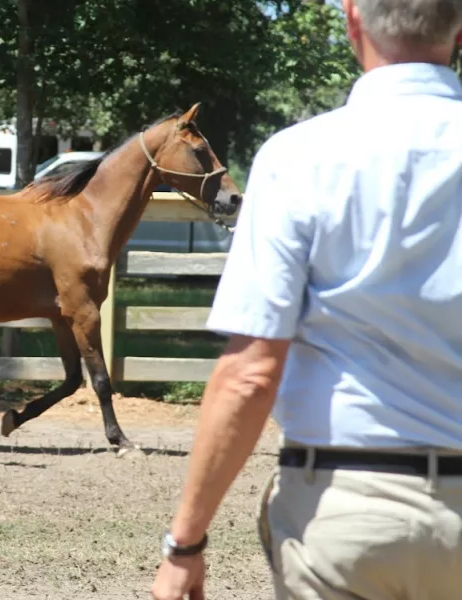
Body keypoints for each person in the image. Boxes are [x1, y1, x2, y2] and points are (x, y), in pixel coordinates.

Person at [150, 1, 462, 598]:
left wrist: (185, 542)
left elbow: (250, 374)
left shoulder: (298, 158)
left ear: (352, 20)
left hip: (344, 509)